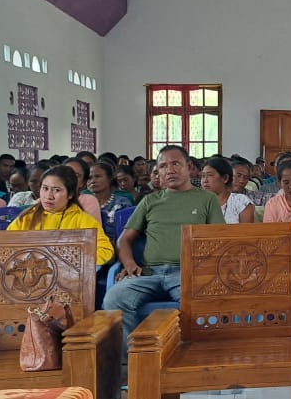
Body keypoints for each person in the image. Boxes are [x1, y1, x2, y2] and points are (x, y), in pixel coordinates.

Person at [103, 145, 225, 348]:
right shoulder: (150, 201)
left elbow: (219, 240)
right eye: (163, 166)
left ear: (189, 166)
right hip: (148, 273)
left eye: (176, 163)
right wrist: (129, 263)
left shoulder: (207, 199)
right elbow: (124, 240)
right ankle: (135, 361)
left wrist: (205, 270)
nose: (170, 170)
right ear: (157, 173)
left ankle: (193, 357)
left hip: (188, 273)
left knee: (204, 300)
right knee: (114, 298)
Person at [7, 166, 114, 265]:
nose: (49, 196)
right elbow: (5, 245)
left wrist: (71, 258)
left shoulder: (82, 220)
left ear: (70, 194)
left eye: (57, 190)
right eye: (45, 188)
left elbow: (105, 251)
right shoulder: (27, 217)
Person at [201, 157, 254, 224]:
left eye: (210, 175)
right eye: (203, 176)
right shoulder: (197, 202)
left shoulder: (241, 202)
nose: (205, 180)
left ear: (225, 178)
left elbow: (247, 233)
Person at [88, 162, 135, 234]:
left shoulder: (122, 203)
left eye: (97, 176)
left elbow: (128, 232)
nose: (93, 181)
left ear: (110, 178)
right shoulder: (83, 203)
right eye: (89, 178)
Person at [63, 157, 104, 222]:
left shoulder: (88, 200)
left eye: (76, 176)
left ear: (82, 182)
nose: (70, 178)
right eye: (66, 174)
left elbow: (91, 230)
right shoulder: (47, 199)